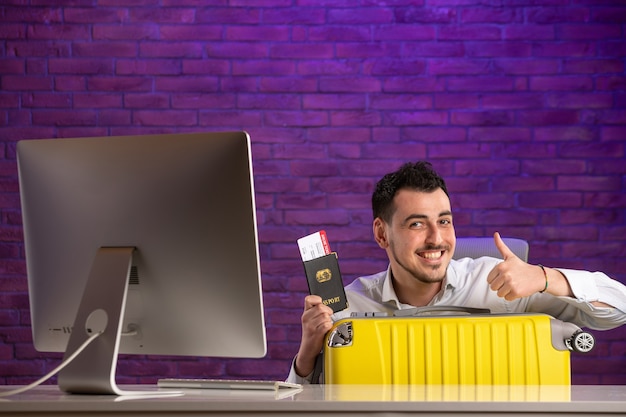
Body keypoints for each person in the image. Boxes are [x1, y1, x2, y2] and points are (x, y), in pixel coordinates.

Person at [287, 161, 626, 384]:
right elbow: (296, 406)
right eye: (417, 223)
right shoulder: (345, 306)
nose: (436, 239)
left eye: (444, 221)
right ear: (382, 234)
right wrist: (306, 356)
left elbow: (619, 310)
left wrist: (546, 278)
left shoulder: (503, 283)